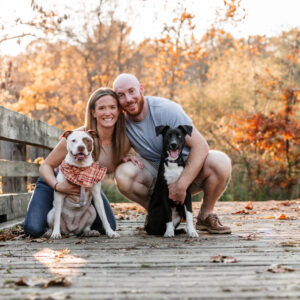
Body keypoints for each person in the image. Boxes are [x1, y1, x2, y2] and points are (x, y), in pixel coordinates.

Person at [113, 74, 232, 234]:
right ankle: (159, 213)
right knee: (123, 174)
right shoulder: (120, 121)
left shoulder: (165, 109)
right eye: (121, 95)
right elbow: (107, 147)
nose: (128, 99)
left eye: (131, 91)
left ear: (141, 89)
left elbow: (201, 146)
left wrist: (182, 184)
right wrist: (122, 156)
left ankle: (206, 215)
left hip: (188, 169)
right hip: (158, 175)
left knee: (220, 161)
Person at [24, 87, 130, 237]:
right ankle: (52, 218)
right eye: (102, 108)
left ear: (119, 111)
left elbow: (110, 167)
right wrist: (57, 185)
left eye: (112, 107)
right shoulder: (76, 137)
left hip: (85, 185)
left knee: (110, 225)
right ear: (93, 112)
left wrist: (124, 159)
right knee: (33, 229)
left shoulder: (121, 141)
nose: (107, 112)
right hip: (54, 182)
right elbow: (45, 166)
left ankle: (82, 226)